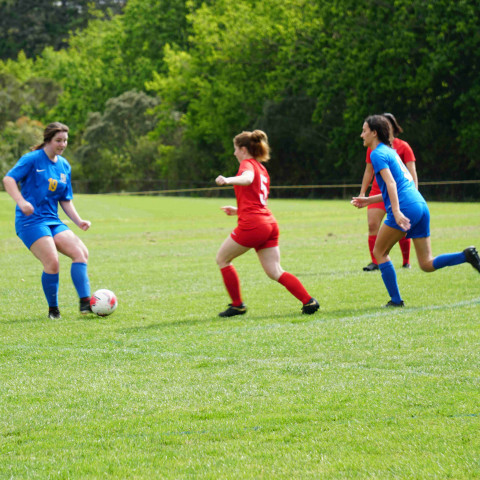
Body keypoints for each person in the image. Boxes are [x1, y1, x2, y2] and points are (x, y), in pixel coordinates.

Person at [351, 115, 480, 307]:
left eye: (364, 131)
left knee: (379, 252)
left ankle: (396, 301)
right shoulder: (390, 151)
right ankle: (466, 255)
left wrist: (395, 211)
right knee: (426, 263)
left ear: (374, 133)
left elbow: (392, 183)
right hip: (419, 204)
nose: (362, 135)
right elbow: (403, 184)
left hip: (405, 206)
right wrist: (368, 200)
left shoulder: (377, 153)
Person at [215, 129, 319, 317]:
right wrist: (238, 210)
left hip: (254, 225)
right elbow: (257, 200)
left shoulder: (247, 165)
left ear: (244, 149)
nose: (234, 153)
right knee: (275, 271)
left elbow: (247, 179)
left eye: (236, 149)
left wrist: (227, 179)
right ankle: (308, 301)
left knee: (222, 259)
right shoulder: (262, 168)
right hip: (268, 223)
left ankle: (237, 305)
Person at [3, 122, 92, 319]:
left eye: (65, 141)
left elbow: (65, 199)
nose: (62, 144)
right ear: (48, 140)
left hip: (52, 220)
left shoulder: (64, 165)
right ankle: (54, 310)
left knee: (81, 253)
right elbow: (9, 179)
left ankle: (85, 303)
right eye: (58, 140)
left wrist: (78, 221)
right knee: (52, 262)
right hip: (31, 221)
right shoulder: (33, 159)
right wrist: (21, 201)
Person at [359, 113, 418, 271]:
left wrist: (413, 193)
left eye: (364, 131)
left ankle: (406, 261)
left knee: (401, 228)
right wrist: (363, 193)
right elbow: (368, 171)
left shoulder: (398, 147)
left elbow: (406, 175)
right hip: (380, 192)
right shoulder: (374, 149)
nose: (362, 135)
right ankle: (376, 262)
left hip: (399, 194)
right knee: (373, 226)